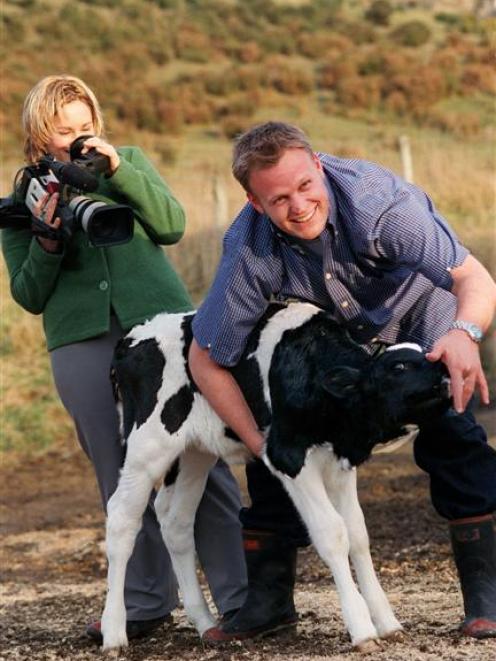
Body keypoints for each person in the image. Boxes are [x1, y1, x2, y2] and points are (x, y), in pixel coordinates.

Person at [188, 121, 496, 642]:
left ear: (320, 167)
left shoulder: (381, 205)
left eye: (306, 186)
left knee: (452, 434)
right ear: (255, 203)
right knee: (283, 431)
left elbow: (474, 278)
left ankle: (486, 594)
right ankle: (269, 600)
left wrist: (465, 334)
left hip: (421, 317)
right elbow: (206, 357)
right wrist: (261, 441)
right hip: (334, 348)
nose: (299, 205)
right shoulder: (249, 249)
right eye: (279, 198)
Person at [1, 75, 247, 644]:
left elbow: (172, 224)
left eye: (85, 127)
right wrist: (46, 240)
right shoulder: (21, 201)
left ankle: (240, 599)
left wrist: (118, 172)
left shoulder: (126, 162)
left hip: (159, 326)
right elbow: (29, 295)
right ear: (39, 134)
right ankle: (143, 602)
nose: (77, 139)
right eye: (64, 131)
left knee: (203, 454)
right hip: (79, 338)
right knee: (118, 470)